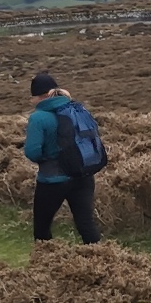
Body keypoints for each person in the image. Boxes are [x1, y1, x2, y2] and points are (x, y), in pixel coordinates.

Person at [24, 72, 101, 244]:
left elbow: (32, 152)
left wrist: (48, 157)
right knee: (86, 224)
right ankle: (103, 261)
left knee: (42, 228)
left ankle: (46, 263)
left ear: (40, 96)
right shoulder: (77, 109)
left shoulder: (38, 118)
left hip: (53, 180)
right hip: (83, 175)